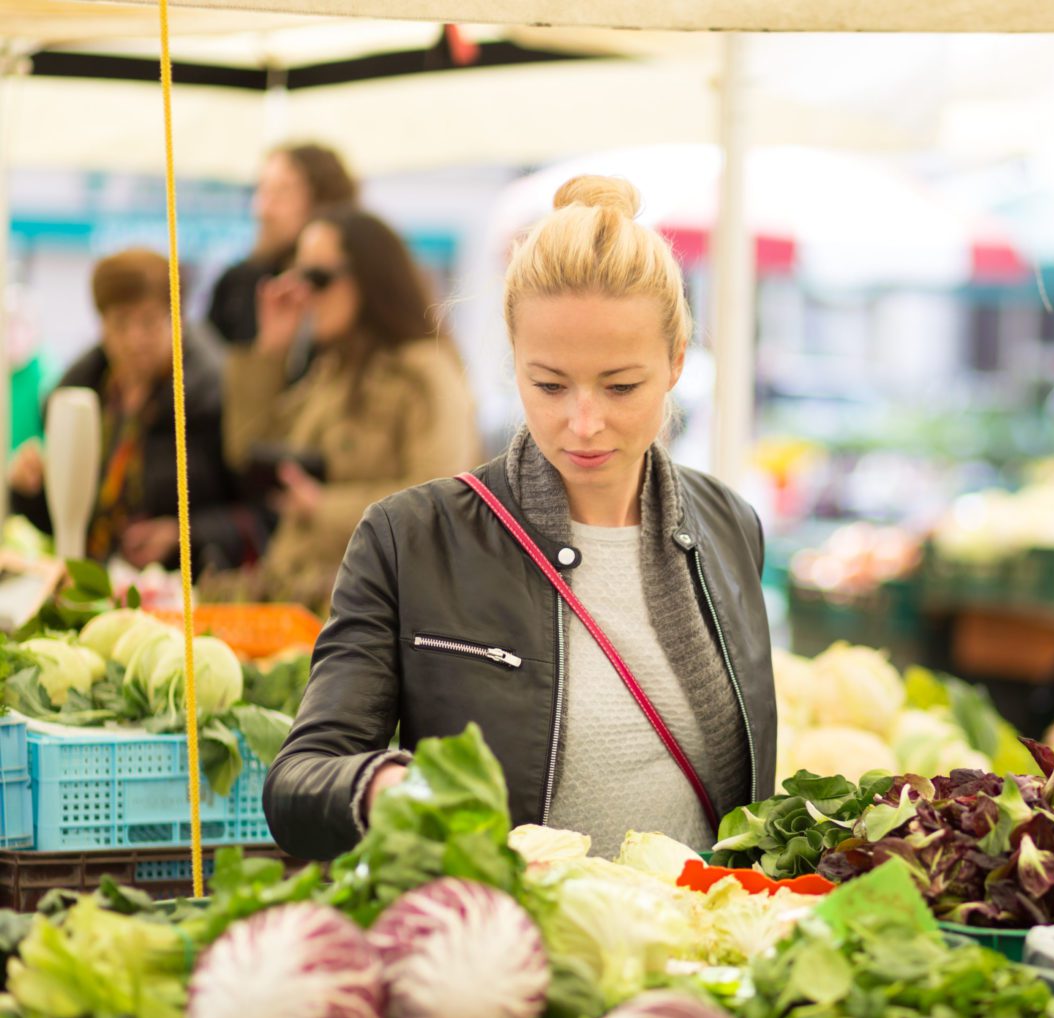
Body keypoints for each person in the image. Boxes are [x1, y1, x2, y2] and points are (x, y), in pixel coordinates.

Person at [262, 175, 777, 862]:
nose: (583, 423)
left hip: (696, 951)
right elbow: (299, 781)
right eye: (549, 384)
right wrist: (383, 786)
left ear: (677, 362)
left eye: (621, 386)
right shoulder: (410, 539)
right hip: (508, 948)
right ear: (513, 363)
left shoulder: (729, 526)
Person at [222, 206, 478, 610]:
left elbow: (441, 502)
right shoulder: (333, 370)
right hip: (301, 602)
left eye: (317, 279)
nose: (303, 295)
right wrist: (270, 352)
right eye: (297, 276)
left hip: (373, 614)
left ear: (369, 279)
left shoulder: (423, 373)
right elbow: (246, 451)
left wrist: (322, 507)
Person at [8, 249, 250, 573]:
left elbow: (257, 515)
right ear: (101, 324)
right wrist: (32, 490)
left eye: (149, 322)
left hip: (188, 591)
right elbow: (67, 523)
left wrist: (184, 537)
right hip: (97, 581)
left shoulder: (215, 394)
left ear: (176, 318)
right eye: (120, 323)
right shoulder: (85, 393)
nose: (135, 340)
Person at [207, 143, 357, 347]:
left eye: (282, 192)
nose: (262, 209)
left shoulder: (347, 288)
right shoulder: (238, 284)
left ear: (323, 201)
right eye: (262, 190)